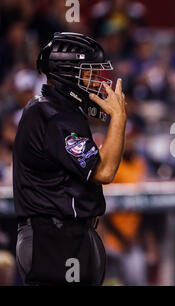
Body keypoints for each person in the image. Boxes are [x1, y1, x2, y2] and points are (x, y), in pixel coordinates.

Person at [13, 32, 127, 285]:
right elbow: (104, 172)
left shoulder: (58, 112)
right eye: (89, 74)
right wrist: (118, 119)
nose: (97, 81)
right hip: (54, 239)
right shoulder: (53, 116)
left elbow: (99, 167)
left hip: (65, 236)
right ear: (67, 73)